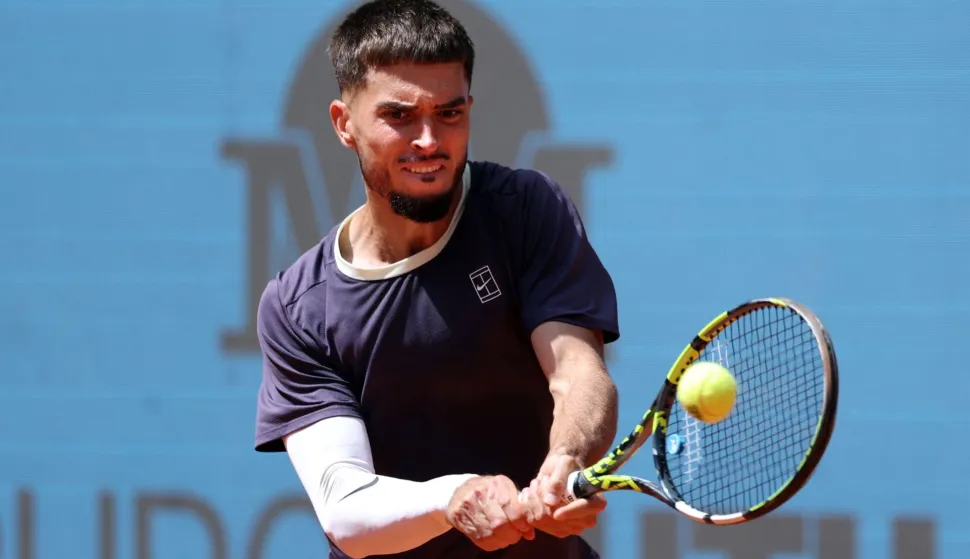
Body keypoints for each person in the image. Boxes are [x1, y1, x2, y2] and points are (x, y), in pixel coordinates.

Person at [253, 0, 621, 557]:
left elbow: (577, 370)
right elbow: (346, 509)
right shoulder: (299, 307)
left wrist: (565, 458)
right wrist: (455, 497)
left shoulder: (524, 210)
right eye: (399, 116)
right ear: (344, 124)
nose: (429, 140)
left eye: (450, 114)